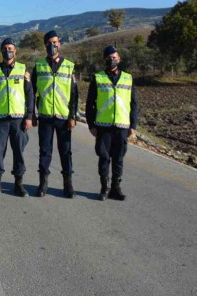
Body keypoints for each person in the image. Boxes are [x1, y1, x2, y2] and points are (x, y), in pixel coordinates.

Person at [86, 45, 138, 201]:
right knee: (104, 158)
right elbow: (90, 104)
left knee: (119, 159)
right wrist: (91, 125)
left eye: (114, 57)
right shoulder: (97, 78)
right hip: (103, 126)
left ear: (119, 59)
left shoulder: (128, 78)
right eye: (109, 58)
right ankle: (104, 188)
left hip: (122, 126)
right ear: (105, 60)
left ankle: (116, 188)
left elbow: (133, 104)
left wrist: (133, 126)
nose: (112, 60)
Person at [31, 30, 78, 198]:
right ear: (45, 46)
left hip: (64, 118)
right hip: (45, 117)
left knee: (66, 151)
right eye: (49, 43)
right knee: (45, 151)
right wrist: (32, 115)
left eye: (55, 42)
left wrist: (73, 116)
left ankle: (68, 185)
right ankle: (43, 184)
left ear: (60, 43)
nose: (53, 45)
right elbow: (32, 92)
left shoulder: (69, 66)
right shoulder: (39, 66)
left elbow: (74, 95)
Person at [0, 38, 34, 197]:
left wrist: (29, 117)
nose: (8, 50)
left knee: (19, 151)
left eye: (11, 48)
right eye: (5, 48)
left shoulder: (22, 69)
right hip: (0, 119)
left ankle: (19, 184)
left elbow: (30, 95)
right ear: (1, 51)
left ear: (15, 51)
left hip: (19, 119)